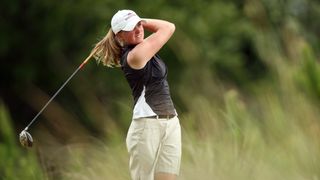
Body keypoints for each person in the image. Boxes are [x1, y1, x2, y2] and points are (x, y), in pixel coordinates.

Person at [86, 10, 182, 180]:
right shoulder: (134, 56)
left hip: (171, 123)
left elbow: (167, 27)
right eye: (131, 28)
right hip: (147, 127)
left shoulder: (143, 47)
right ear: (120, 37)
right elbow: (168, 27)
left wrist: (137, 21)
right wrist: (141, 22)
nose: (138, 29)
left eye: (139, 24)